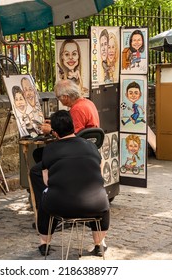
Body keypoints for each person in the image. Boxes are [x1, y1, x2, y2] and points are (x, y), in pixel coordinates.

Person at [37, 110, 109, 257]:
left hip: (61, 206)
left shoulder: (50, 149)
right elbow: (100, 175)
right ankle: (99, 244)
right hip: (95, 205)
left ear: (55, 133)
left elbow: (46, 181)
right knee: (100, 197)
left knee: (45, 199)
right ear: (74, 126)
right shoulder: (91, 146)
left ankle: (45, 243)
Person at [30, 79, 100, 223]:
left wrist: (52, 130)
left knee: (36, 171)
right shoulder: (87, 103)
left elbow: (69, 135)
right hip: (85, 150)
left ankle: (47, 207)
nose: (59, 100)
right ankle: (54, 186)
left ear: (66, 97)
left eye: (58, 97)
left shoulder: (77, 109)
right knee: (38, 154)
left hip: (75, 153)